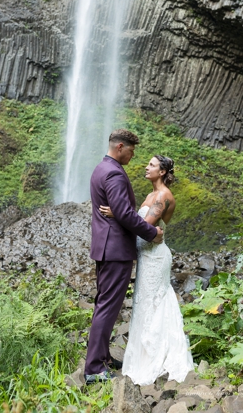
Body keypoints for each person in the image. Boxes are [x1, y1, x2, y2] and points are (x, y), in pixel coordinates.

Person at [97, 155, 193, 385]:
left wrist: (116, 214)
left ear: (162, 172)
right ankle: (144, 357)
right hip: (145, 256)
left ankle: (157, 358)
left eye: (151, 165)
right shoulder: (151, 195)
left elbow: (144, 227)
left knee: (153, 304)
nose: (146, 167)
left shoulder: (163, 196)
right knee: (143, 305)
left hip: (155, 257)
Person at [84, 129, 163, 383]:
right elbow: (126, 215)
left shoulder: (100, 168)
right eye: (131, 150)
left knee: (103, 304)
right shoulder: (115, 174)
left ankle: (103, 357)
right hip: (115, 249)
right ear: (120, 147)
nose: (133, 155)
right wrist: (152, 233)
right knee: (108, 307)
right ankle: (95, 368)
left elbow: (119, 211)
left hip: (105, 246)